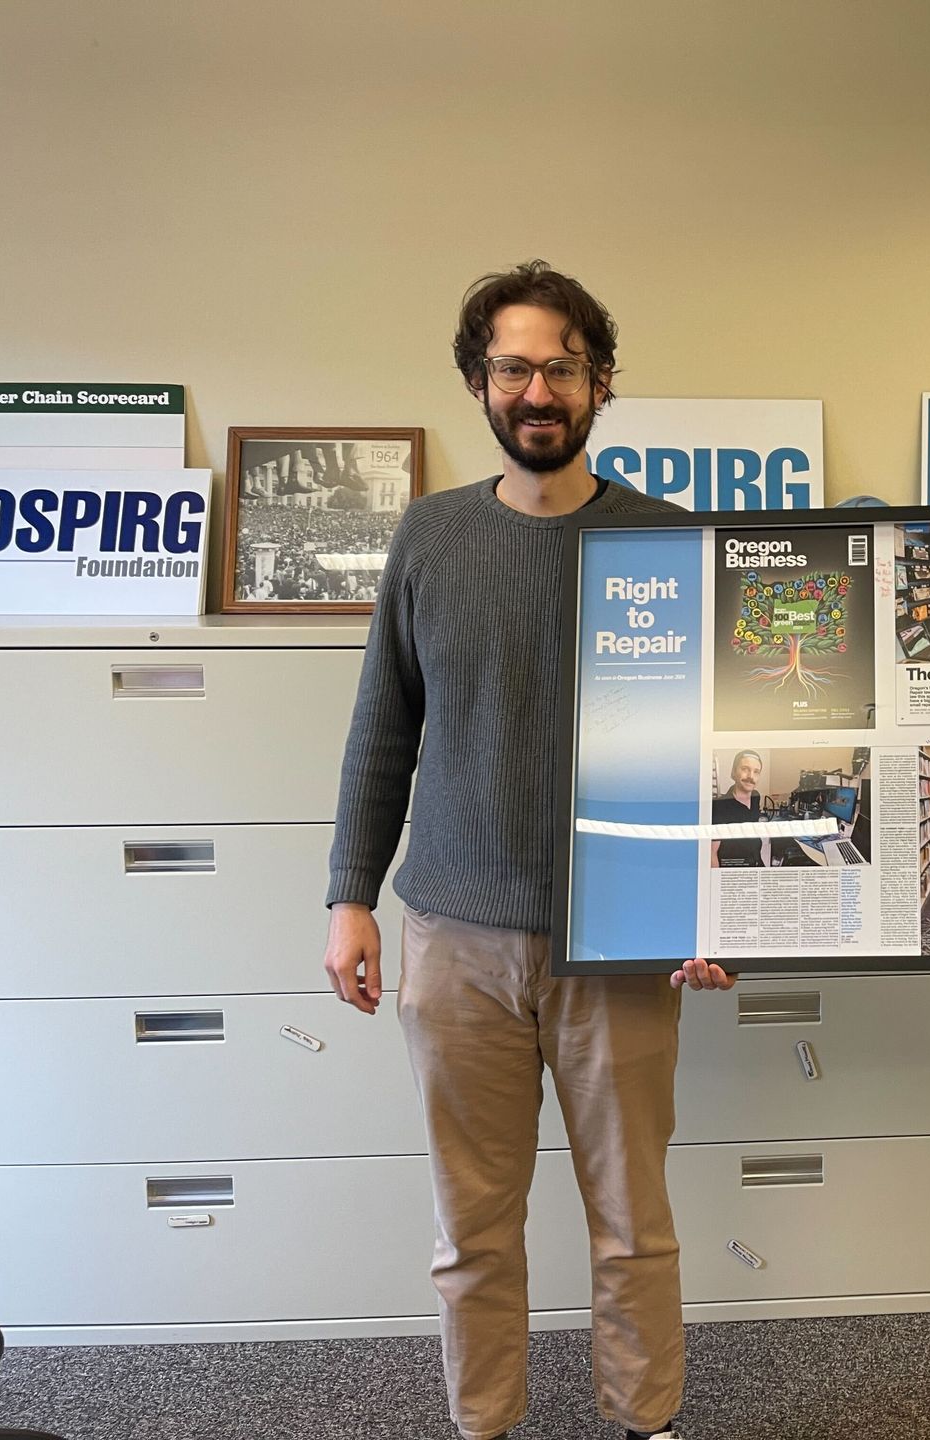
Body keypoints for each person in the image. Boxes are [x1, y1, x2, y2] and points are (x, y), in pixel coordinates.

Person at [322, 260, 732, 1440]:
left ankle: (645, 1423)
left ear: (599, 384)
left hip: (623, 941)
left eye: (561, 365)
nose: (538, 387)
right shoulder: (432, 537)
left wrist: (720, 910)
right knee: (473, 1231)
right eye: (514, 366)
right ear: (478, 382)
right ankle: (484, 1424)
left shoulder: (669, 540)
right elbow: (381, 732)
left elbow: (724, 750)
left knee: (632, 1222)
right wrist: (351, 895)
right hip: (455, 939)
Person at [709, 749, 766, 868]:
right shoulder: (719, 806)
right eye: (745, 769)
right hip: (735, 875)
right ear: (733, 773)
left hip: (757, 864)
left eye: (756, 772)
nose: (751, 776)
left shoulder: (756, 796)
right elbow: (711, 854)